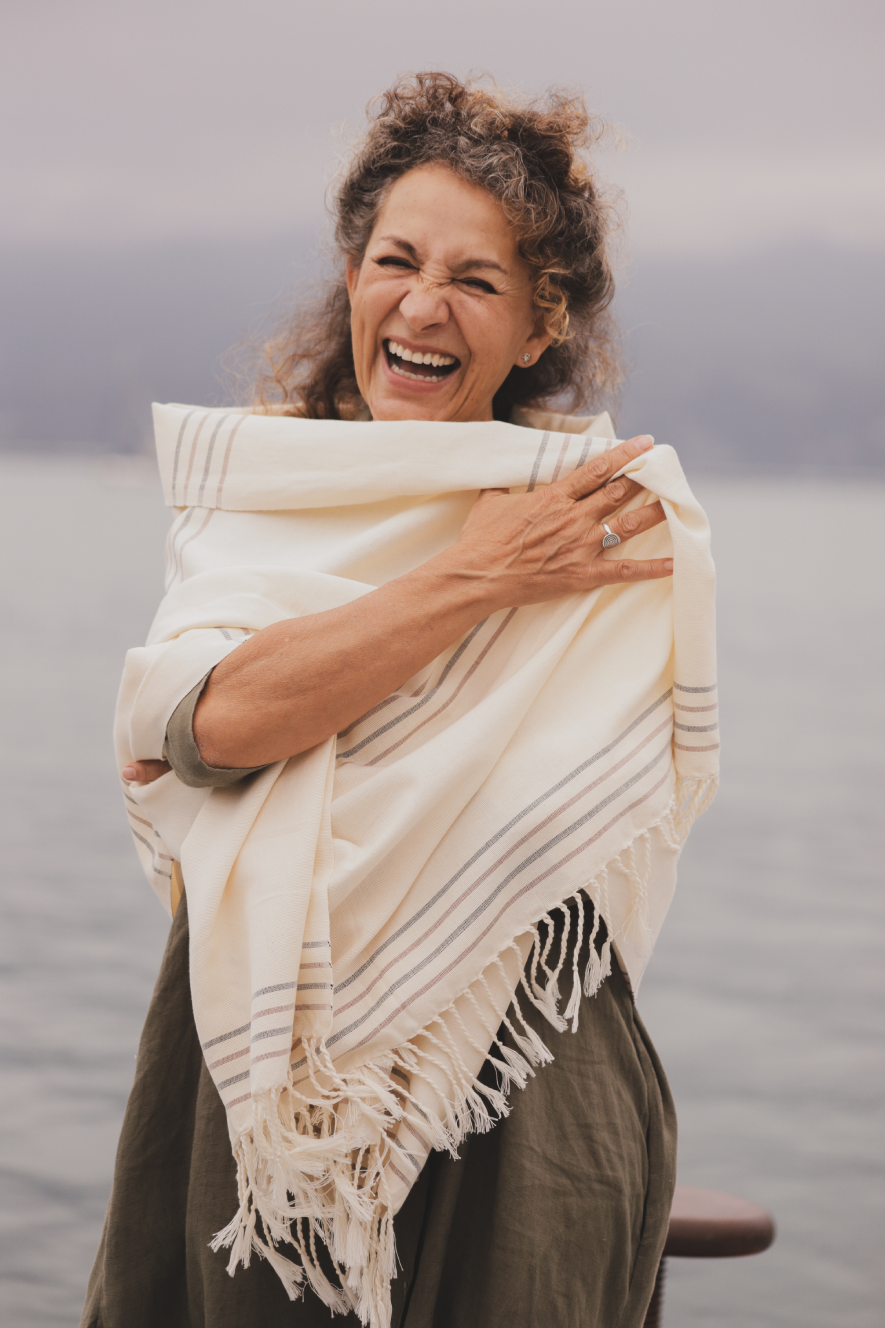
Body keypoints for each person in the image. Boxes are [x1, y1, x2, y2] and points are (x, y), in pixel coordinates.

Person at [82, 72, 718, 1328]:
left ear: (539, 325)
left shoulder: (605, 518)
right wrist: (478, 576)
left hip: (522, 1090)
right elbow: (213, 723)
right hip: (269, 1082)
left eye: (476, 280)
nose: (424, 305)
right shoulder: (265, 498)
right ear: (352, 278)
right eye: (396, 262)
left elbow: (216, 734)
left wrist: (264, 718)